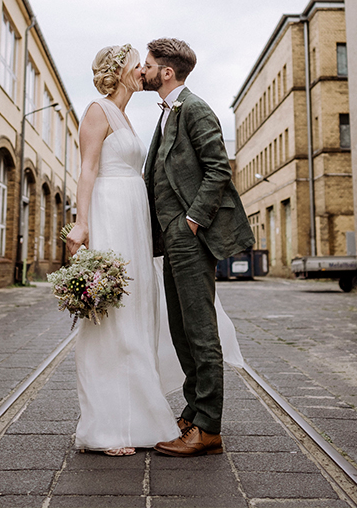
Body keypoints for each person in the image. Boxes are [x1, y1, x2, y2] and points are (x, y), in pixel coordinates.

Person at [142, 38, 255, 457]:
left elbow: (218, 168)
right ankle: (193, 411)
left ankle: (209, 427)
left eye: (149, 64)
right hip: (172, 238)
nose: (144, 70)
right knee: (181, 329)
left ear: (166, 72)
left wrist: (192, 220)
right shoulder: (169, 113)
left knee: (201, 330)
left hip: (189, 236)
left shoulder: (194, 107)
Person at [64, 44, 178, 456]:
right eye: (137, 65)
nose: (143, 70)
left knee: (138, 310)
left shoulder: (127, 116)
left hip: (135, 219)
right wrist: (82, 223)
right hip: (111, 213)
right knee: (113, 315)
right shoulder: (97, 111)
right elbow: (88, 169)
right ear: (122, 71)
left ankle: (140, 415)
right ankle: (110, 426)